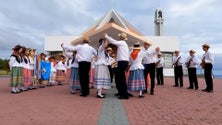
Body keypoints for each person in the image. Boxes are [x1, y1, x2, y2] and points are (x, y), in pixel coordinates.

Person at [104, 32, 130, 99]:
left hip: (122, 62)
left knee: (121, 78)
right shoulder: (123, 44)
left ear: (121, 37)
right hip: (123, 62)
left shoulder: (122, 43)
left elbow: (114, 42)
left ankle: (124, 94)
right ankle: (121, 92)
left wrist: (107, 36)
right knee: (119, 78)